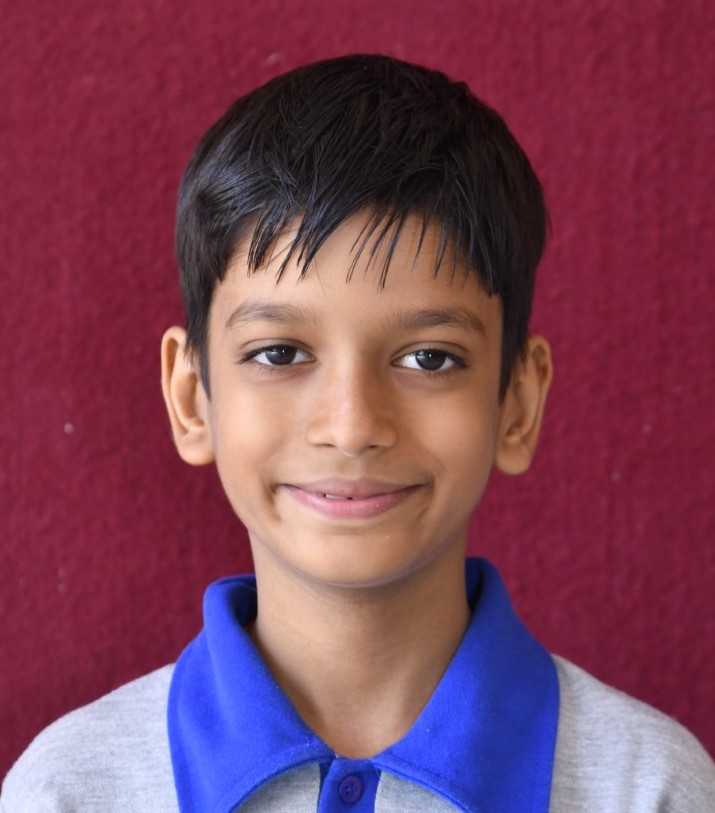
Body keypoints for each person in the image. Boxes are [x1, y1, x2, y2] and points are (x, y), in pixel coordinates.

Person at [2, 54, 713, 813]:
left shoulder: (650, 789)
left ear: (517, 402)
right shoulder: (70, 790)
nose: (352, 426)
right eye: (279, 353)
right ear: (190, 398)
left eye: (429, 358)